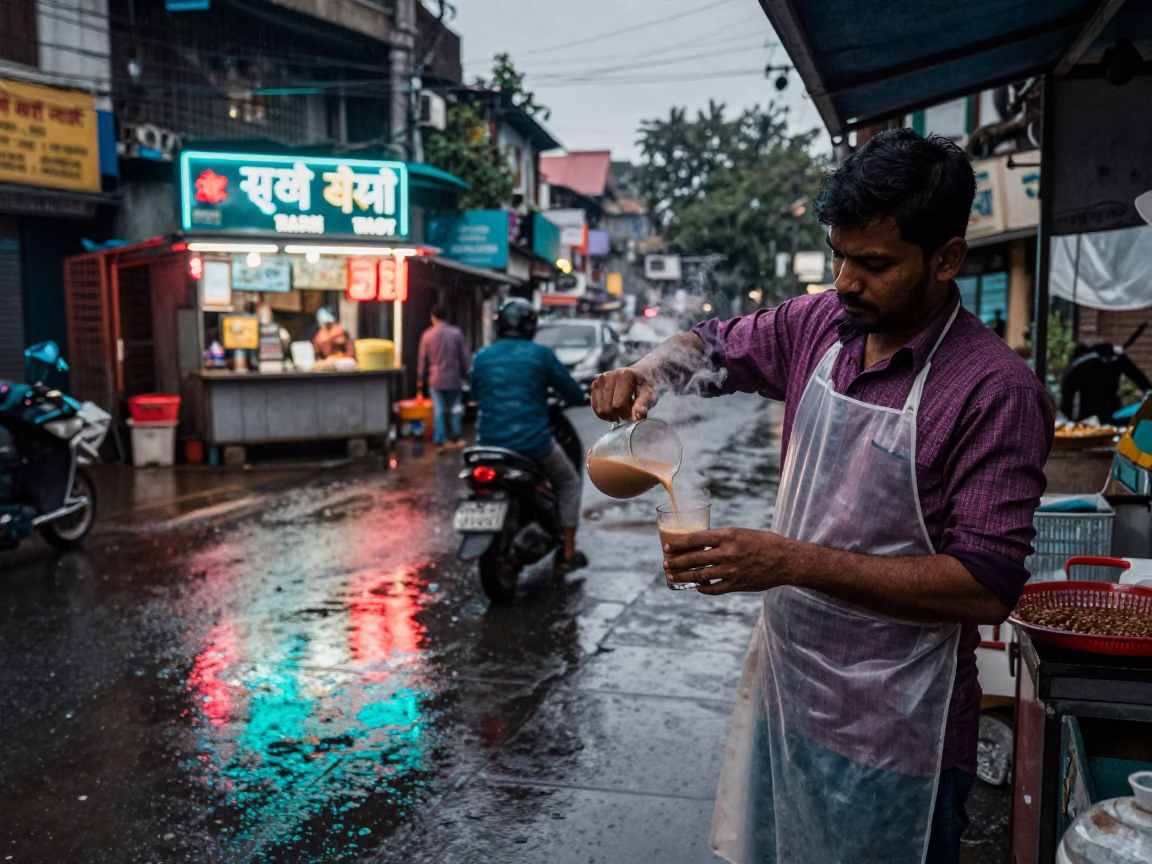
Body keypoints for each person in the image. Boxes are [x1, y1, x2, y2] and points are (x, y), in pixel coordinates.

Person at [591, 130, 1053, 864]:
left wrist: (787, 561)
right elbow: (710, 347)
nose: (844, 282)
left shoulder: (995, 391)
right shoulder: (821, 328)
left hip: (901, 731)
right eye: (839, 256)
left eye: (873, 264)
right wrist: (650, 370)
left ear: (946, 258)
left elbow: (985, 587)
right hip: (788, 695)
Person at [471, 298, 587, 570]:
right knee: (569, 482)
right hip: (533, 443)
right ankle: (568, 553)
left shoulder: (482, 356)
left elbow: (477, 394)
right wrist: (581, 397)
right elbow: (569, 390)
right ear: (531, 326)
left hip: (488, 445)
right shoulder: (540, 355)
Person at [416, 304, 471, 452]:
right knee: (455, 409)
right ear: (446, 317)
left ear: (433, 317)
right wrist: (467, 375)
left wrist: (420, 381)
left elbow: (422, 360)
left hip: (435, 379)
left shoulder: (427, 335)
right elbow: (464, 358)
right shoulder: (456, 333)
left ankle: (440, 440)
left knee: (438, 410)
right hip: (453, 378)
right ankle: (455, 436)